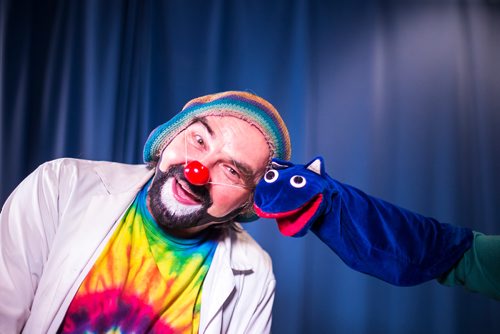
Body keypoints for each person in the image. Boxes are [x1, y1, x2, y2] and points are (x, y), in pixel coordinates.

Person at [0, 91, 292, 333]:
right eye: (199, 140)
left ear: (247, 202)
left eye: (231, 170)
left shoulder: (256, 274)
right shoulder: (58, 186)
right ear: (169, 137)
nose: (197, 172)